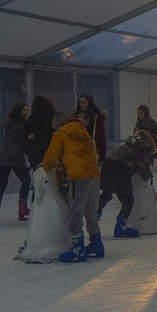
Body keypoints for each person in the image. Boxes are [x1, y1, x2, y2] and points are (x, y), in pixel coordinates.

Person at [43, 104, 103, 262]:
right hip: (93, 172)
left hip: (79, 175)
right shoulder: (83, 130)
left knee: (74, 210)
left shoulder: (60, 133)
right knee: (91, 210)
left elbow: (51, 156)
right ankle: (97, 245)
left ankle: (77, 248)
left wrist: (45, 167)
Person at [99, 133, 157, 239]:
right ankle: (120, 226)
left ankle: (94, 215)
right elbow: (143, 167)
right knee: (128, 200)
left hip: (107, 165)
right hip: (120, 170)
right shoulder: (144, 147)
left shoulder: (131, 142)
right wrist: (148, 179)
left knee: (107, 192)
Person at [0, 102, 30, 223]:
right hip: (16, 157)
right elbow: (23, 141)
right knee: (26, 181)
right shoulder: (21, 125)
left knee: (1, 185)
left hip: (3, 158)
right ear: (19, 111)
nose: (27, 112)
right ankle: (22, 208)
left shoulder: (7, 123)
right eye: (24, 110)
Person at [21, 96, 57, 172]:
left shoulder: (29, 123)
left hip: (35, 157)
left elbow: (25, 141)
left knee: (39, 179)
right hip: (50, 156)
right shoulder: (51, 121)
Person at [75, 92, 108, 161]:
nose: (82, 104)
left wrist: (102, 156)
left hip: (92, 149)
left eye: (84, 102)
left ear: (89, 103)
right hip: (77, 149)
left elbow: (101, 137)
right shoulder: (74, 116)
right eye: (80, 102)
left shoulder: (97, 117)